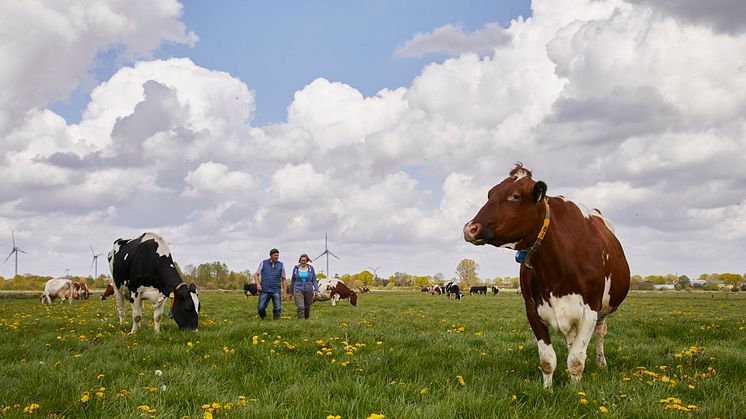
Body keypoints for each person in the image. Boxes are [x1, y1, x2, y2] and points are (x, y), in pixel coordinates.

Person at [255, 248, 287, 320]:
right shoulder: (263, 263)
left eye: (278, 255)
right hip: (264, 289)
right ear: (271, 255)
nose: (277, 257)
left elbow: (284, 279)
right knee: (260, 308)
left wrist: (285, 292)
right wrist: (258, 284)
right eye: (275, 255)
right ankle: (264, 317)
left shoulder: (281, 265)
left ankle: (276, 322)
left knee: (277, 308)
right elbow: (256, 274)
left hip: (276, 290)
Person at [290, 253, 320, 320]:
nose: (303, 262)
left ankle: (306, 320)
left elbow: (314, 280)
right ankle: (301, 321)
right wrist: (290, 292)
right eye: (302, 260)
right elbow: (293, 280)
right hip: (297, 289)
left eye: (304, 260)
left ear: (307, 261)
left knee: (307, 307)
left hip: (308, 289)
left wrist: (317, 291)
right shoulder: (296, 268)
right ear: (299, 261)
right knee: (301, 306)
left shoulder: (311, 268)